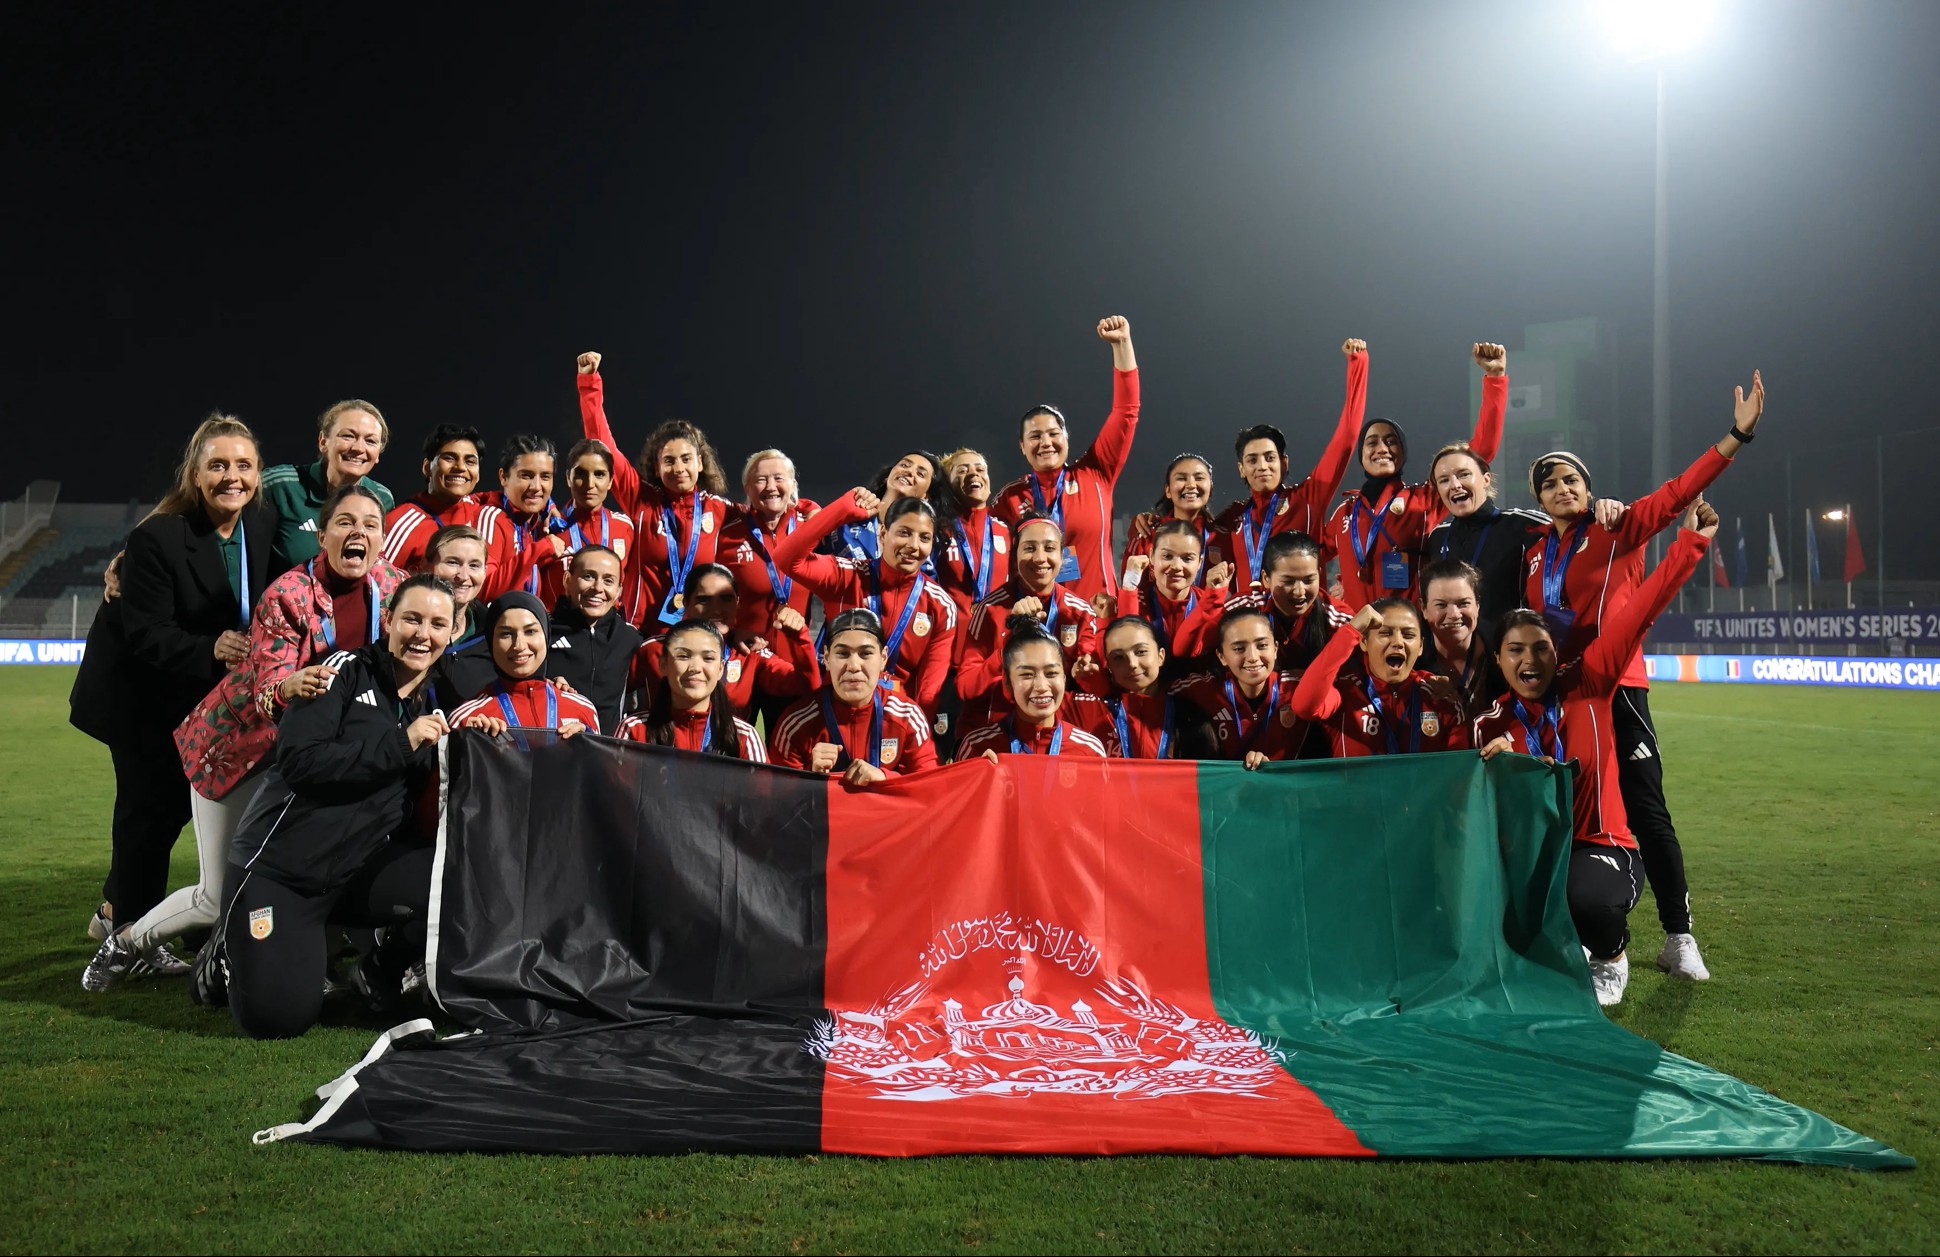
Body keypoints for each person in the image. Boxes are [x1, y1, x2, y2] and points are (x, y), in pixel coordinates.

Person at [84, 483, 405, 991]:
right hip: (238, 753)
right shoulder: (288, 594)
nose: (358, 532)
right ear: (321, 535)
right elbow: (265, 690)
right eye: (345, 522)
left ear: (383, 540)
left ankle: (294, 962)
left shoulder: (392, 590)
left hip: (311, 759)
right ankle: (125, 943)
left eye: (370, 524)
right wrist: (290, 687)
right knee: (216, 895)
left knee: (312, 869)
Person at [1522, 370, 1765, 983]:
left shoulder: (1618, 525)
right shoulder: (1531, 551)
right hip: (1558, 694)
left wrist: (1735, 436)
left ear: (1590, 486)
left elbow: (1680, 491)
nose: (1561, 488)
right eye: (1548, 483)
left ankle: (1679, 936)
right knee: (1572, 815)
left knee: (1645, 807)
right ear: (1538, 499)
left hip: (1616, 686)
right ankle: (1592, 930)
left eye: (1571, 478)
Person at [1475, 501, 1717, 1006]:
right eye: (1515, 649)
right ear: (1498, 660)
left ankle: (1611, 956)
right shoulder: (1489, 723)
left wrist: (1689, 544)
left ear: (1557, 652)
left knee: (1587, 899)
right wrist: (1499, 766)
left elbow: (1643, 606)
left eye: (1540, 647)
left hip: (1599, 843)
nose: (1529, 658)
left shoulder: (1591, 682)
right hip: (1537, 852)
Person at [70, 414, 272, 971]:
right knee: (148, 813)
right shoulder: (158, 537)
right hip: (140, 697)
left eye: (244, 465)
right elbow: (146, 634)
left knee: (169, 816)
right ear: (195, 472)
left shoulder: (259, 524)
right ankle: (131, 939)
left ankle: (119, 911)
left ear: (259, 473)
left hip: (198, 698)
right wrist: (212, 648)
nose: (232, 477)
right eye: (218, 465)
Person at [220, 574, 457, 1039]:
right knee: (277, 1021)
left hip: (357, 872)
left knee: (461, 881)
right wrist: (401, 743)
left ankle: (378, 969)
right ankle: (219, 960)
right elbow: (300, 762)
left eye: (436, 623)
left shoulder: (440, 693)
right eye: (411, 618)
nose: (422, 634)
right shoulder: (340, 671)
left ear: (452, 632)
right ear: (388, 620)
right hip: (282, 871)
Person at [1325, 343, 1507, 608]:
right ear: (1361, 455)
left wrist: (1495, 380)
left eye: (1391, 441)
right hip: (1359, 635)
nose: (1382, 448)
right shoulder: (1345, 512)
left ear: (1403, 452)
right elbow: (1309, 556)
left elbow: (1481, 452)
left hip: (1411, 632)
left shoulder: (1423, 499)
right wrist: (1329, 599)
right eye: (1372, 442)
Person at [575, 351, 735, 627]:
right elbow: (603, 446)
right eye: (669, 461)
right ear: (657, 467)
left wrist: (803, 508)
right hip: (640, 630)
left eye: (686, 459)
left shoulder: (718, 509)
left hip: (697, 635)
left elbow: (765, 515)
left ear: (700, 462)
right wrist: (589, 383)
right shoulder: (641, 501)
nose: (678, 468)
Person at [771, 489, 960, 715]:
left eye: (924, 538)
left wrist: (910, 734)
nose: (914, 545)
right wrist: (841, 511)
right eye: (904, 533)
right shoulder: (847, 576)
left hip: (894, 722)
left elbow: (929, 691)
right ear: (882, 534)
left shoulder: (940, 605)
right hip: (833, 715)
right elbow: (786, 558)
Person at [991, 316, 1140, 602]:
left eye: (1053, 433)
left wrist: (1122, 344)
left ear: (1066, 439)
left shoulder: (1096, 474)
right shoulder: (1009, 499)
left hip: (1098, 620)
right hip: (1038, 627)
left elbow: (1126, 411)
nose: (1045, 442)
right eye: (1035, 437)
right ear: (1022, 446)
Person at [1213, 338, 1369, 589]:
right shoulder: (1233, 518)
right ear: (1241, 469)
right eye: (1252, 460)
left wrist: (1357, 364)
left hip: (1304, 621)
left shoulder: (1307, 498)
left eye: (1270, 457)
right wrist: (1151, 521)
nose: (1262, 466)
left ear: (1284, 463)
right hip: (1252, 626)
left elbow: (1347, 438)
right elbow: (1191, 531)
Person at [957, 513, 1104, 727]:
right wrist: (1010, 641)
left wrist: (1083, 675)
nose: (1040, 558)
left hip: (1057, 736)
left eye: (1049, 548)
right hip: (1000, 733)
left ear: (1063, 557)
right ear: (1015, 555)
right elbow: (965, 688)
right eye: (1029, 548)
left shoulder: (1079, 612)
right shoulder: (990, 609)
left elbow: (1096, 687)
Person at [769, 609, 939, 780]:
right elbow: (779, 798)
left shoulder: (907, 717)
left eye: (865, 653)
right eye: (842, 654)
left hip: (885, 808)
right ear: (827, 658)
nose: (853, 665)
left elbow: (928, 788)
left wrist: (885, 778)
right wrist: (810, 776)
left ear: (883, 658)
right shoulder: (796, 725)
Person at [631, 563, 818, 719]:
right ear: (686, 603)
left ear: (738, 602)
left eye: (726, 599)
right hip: (662, 756)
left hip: (728, 759)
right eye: (704, 600)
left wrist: (799, 638)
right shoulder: (654, 649)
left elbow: (806, 684)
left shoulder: (748, 652)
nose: (716, 609)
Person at [1290, 599, 1472, 757]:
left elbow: (1459, 773)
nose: (1398, 642)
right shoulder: (1345, 692)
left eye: (1408, 635)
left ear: (1421, 647)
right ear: (1363, 642)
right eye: (1385, 633)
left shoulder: (1441, 699)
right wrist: (1351, 631)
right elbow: (1304, 706)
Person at [1419, 440, 1553, 646]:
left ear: (1486, 479)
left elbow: (1573, 527)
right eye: (1444, 480)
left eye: (1463, 474)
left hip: (1507, 659)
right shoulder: (1437, 537)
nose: (1455, 485)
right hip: (1453, 658)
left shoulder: (1521, 525)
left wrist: (1605, 506)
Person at [259, 399, 393, 574]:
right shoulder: (279, 486)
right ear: (323, 442)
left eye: (370, 441)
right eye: (348, 436)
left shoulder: (382, 499)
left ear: (378, 454)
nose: (359, 448)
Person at [1170, 607, 1309, 767]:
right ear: (1222, 657)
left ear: (1275, 649)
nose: (1252, 657)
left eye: (1262, 645)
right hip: (1225, 789)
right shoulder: (1203, 689)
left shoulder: (1298, 687)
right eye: (1239, 649)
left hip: (1288, 788)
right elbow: (1153, 695)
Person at [957, 622, 1116, 760]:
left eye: (1051, 673)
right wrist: (983, 777)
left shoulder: (1089, 750)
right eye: (1027, 675)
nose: (1041, 686)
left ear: (1064, 678)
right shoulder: (977, 747)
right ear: (1008, 682)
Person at [449, 593, 600, 735]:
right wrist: (471, 741)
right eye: (506, 634)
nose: (519, 645)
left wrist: (587, 743)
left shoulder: (583, 709)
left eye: (530, 631)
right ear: (491, 641)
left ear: (546, 636)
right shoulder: (468, 719)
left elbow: (600, 762)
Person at [617, 620, 767, 760]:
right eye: (683, 656)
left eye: (708, 658)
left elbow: (761, 788)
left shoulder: (744, 737)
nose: (695, 668)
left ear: (721, 669)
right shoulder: (634, 730)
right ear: (663, 664)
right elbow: (615, 787)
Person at [541, 544, 644, 734]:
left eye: (608, 581)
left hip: (606, 754)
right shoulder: (541, 632)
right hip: (551, 749)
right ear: (567, 580)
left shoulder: (629, 638)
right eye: (588, 576)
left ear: (619, 590)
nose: (598, 588)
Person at [379, 424, 507, 575]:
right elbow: (378, 583)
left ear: (477, 474)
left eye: (470, 461)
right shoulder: (402, 523)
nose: (460, 467)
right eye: (449, 458)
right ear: (427, 467)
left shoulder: (482, 512)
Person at [718, 449, 819, 640]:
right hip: (748, 655)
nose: (771, 487)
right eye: (761, 480)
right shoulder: (727, 536)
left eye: (779, 478)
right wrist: (730, 634)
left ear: (793, 485)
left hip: (799, 656)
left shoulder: (810, 529)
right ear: (747, 488)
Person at [1083, 615, 1217, 759]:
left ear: (1160, 656)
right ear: (1109, 667)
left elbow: (1209, 777)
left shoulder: (1191, 717)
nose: (1132, 664)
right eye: (1118, 657)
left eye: (1141, 652)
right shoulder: (1096, 714)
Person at [1219, 531, 1351, 672]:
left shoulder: (1340, 621)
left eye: (1308, 580)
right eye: (1288, 581)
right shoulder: (1239, 612)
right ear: (1266, 578)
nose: (1299, 591)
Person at [1117, 518, 1233, 666]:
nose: (1177, 566)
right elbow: (1127, 643)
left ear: (1199, 563)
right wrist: (1128, 588)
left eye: (1187, 558)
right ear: (1152, 556)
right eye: (1167, 556)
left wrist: (1212, 598)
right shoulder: (1134, 598)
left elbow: (1185, 651)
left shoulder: (1208, 603)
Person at [828, 450, 964, 569]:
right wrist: (837, 508)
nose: (910, 472)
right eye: (904, 465)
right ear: (888, 476)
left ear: (926, 496)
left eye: (921, 474)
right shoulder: (850, 518)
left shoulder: (924, 545)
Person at [543, 438, 637, 607]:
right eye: (580, 474)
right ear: (568, 478)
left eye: (599, 474)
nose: (589, 484)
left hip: (608, 628)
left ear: (610, 481)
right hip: (561, 628)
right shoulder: (549, 526)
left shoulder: (625, 527)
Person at [478, 434, 568, 600]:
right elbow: (485, 590)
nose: (536, 486)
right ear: (503, 477)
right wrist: (541, 548)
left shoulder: (534, 521)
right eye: (526, 475)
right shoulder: (492, 517)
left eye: (545, 476)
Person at [1121, 453, 1223, 586]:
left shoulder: (1223, 536)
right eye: (1181, 478)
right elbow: (1129, 589)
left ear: (1210, 489)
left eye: (1199, 478)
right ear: (1168, 491)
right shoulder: (1146, 534)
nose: (1191, 484)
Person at [422, 523, 497, 702]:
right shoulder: (404, 627)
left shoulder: (493, 633)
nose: (463, 576)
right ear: (427, 565)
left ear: (485, 571)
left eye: (474, 565)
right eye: (453, 562)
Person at [1417, 558, 1500, 719]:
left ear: (1477, 605)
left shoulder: (1504, 645)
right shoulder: (1410, 658)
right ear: (1424, 609)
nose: (1454, 614)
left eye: (1463, 603)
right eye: (1441, 605)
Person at [937, 448, 1011, 618]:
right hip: (951, 636)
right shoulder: (936, 531)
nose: (973, 474)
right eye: (963, 470)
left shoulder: (1007, 532)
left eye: (980, 469)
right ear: (948, 484)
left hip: (997, 635)